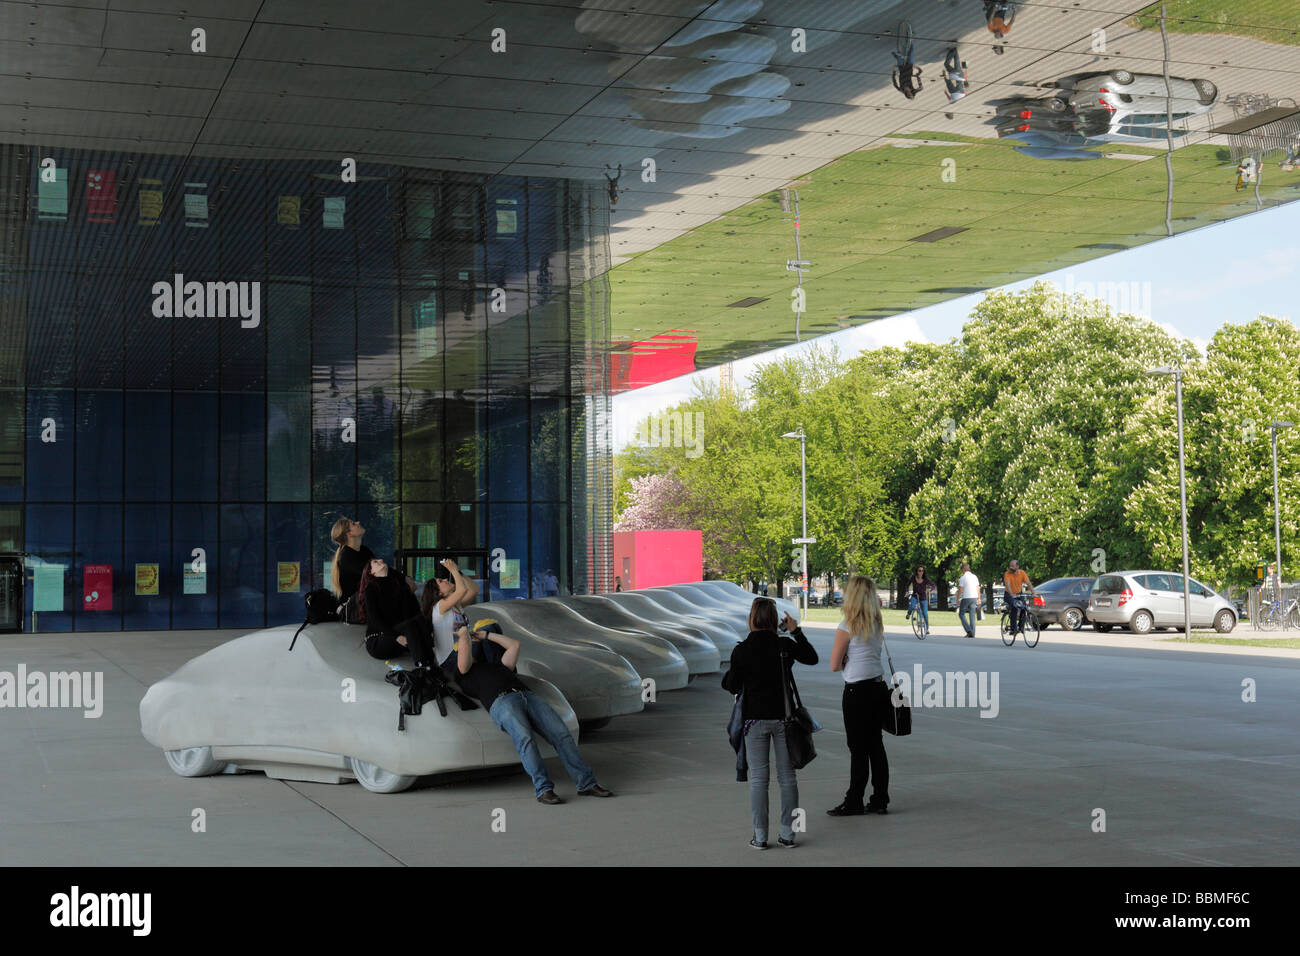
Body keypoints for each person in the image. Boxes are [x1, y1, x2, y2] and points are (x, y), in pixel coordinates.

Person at [444, 619, 613, 804]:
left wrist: (487, 635)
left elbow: (514, 645)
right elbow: (464, 657)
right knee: (525, 740)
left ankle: (587, 784)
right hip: (502, 702)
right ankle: (544, 789)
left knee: (562, 735)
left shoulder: (499, 665)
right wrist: (465, 636)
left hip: (527, 696)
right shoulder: (463, 672)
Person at [721, 597, 818, 849]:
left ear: (752, 619)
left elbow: (731, 684)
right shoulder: (784, 645)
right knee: (787, 778)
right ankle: (787, 834)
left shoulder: (741, 649)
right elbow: (812, 658)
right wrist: (796, 630)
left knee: (759, 780)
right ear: (775, 621)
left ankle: (760, 836)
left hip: (754, 722)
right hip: (785, 720)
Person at [826, 576, 891, 816]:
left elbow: (834, 664)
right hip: (878, 688)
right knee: (876, 746)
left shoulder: (846, 626)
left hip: (856, 692)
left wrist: (845, 660)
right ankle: (880, 798)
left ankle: (854, 800)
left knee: (857, 748)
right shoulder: (876, 622)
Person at [358, 557, 437, 667]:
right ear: (371, 572)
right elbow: (375, 620)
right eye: (375, 562)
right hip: (378, 640)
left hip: (400, 636)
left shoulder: (398, 585)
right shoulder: (370, 589)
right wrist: (396, 636)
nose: (381, 560)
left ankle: (432, 664)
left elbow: (412, 613)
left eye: (380, 560)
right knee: (409, 625)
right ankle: (423, 667)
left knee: (420, 619)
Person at [423, 559, 479, 662]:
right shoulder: (440, 606)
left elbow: (474, 590)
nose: (445, 579)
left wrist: (459, 572)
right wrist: (453, 570)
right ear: (439, 593)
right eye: (441, 581)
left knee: (490, 633)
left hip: (461, 654)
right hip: (450, 659)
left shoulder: (455, 605)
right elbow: (462, 590)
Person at [1003, 558, 1035, 634]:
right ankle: (1013, 629)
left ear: (1017, 566)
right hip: (1008, 594)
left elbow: (1028, 583)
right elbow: (1007, 585)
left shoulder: (1022, 573)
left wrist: (1033, 593)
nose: (1010, 567)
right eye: (1010, 566)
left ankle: (1021, 626)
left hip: (1019, 593)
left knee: (1024, 607)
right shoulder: (1007, 574)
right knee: (1015, 606)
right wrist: (1011, 594)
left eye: (1013, 566)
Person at [908, 566, 935, 635]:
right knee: (912, 606)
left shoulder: (925, 579)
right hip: (915, 595)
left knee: (925, 613)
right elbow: (907, 585)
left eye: (922, 571)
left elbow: (933, 585)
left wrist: (930, 589)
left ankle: (927, 629)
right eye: (919, 570)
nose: (921, 572)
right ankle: (909, 614)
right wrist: (907, 592)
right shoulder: (913, 578)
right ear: (917, 571)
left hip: (923, 597)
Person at [957, 562, 980, 638]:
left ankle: (969, 630)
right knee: (972, 615)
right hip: (974, 597)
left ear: (963, 570)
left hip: (966, 597)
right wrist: (979, 598)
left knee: (961, 614)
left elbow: (960, 589)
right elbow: (978, 588)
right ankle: (972, 633)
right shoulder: (974, 576)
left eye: (962, 570)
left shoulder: (963, 577)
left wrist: (957, 598)